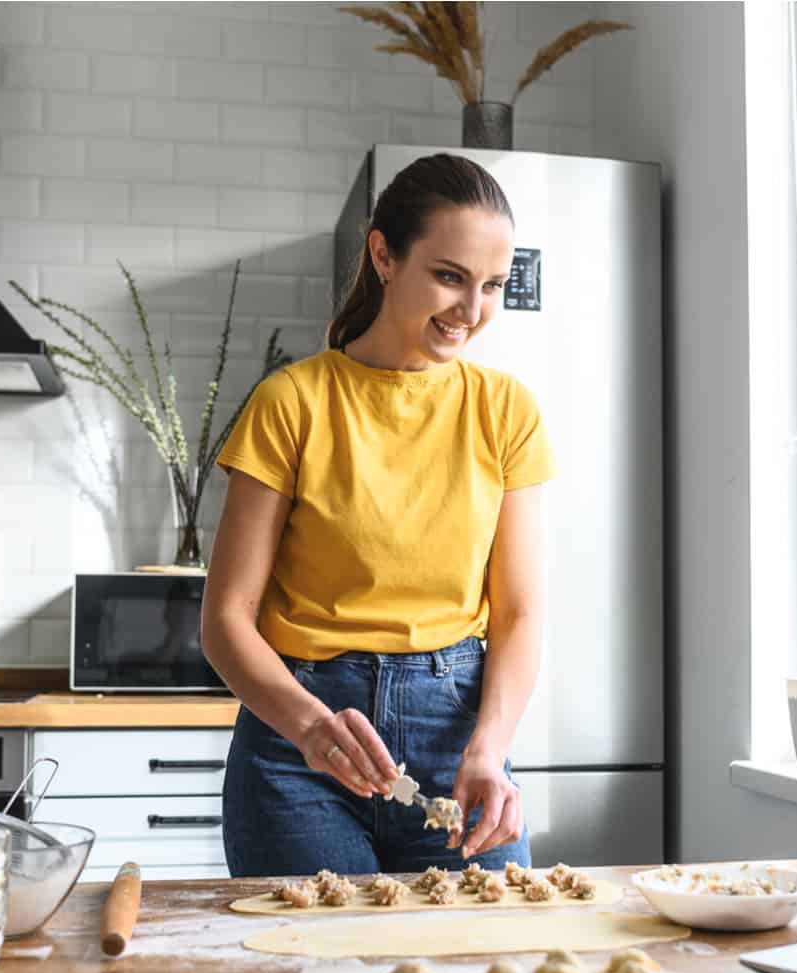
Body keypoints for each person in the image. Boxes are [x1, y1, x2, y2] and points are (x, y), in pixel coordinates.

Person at [202, 153, 553, 878]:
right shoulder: (292, 402)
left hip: (456, 735)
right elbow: (226, 619)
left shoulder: (505, 410)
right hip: (302, 749)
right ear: (384, 254)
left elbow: (517, 614)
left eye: (492, 286)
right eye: (450, 276)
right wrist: (309, 727)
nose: (471, 309)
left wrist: (489, 748)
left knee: (493, 967)